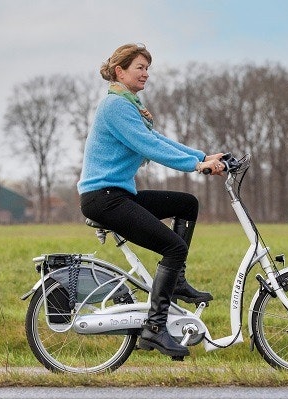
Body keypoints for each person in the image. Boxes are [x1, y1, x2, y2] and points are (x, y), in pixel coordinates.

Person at [77, 43, 225, 358]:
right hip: (103, 198)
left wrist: (201, 156)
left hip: (117, 194)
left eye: (147, 68)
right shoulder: (115, 106)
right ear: (120, 71)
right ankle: (155, 330)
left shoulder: (130, 104)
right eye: (140, 68)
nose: (146, 74)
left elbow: (156, 140)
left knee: (186, 204)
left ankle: (177, 281)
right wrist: (196, 166)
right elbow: (148, 145)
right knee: (173, 246)